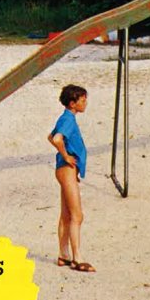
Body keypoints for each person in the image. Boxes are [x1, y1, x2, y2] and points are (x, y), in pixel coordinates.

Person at [48, 84, 95, 273]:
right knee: (77, 215)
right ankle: (77, 258)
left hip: (65, 170)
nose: (85, 103)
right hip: (66, 169)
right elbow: (57, 139)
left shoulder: (66, 118)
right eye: (82, 100)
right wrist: (67, 156)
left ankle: (63, 255)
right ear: (73, 103)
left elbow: (50, 137)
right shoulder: (68, 120)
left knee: (66, 215)